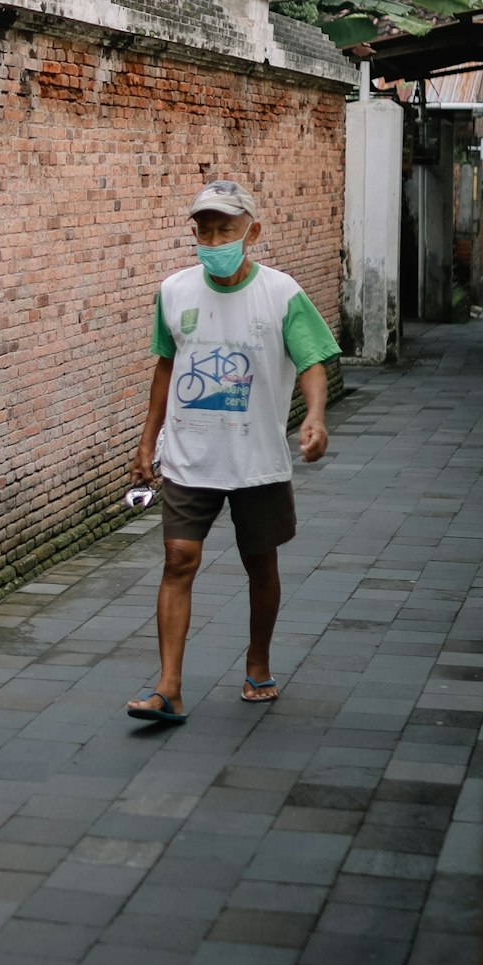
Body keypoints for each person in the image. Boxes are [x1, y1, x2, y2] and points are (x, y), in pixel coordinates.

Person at [126, 179, 340, 723]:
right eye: (203, 228)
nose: (212, 238)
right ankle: (168, 687)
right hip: (190, 455)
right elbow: (166, 367)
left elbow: (313, 360)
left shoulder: (281, 293)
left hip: (257, 459)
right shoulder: (174, 291)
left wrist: (314, 415)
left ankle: (258, 660)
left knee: (259, 564)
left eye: (224, 228)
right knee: (179, 560)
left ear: (252, 232)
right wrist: (147, 439)